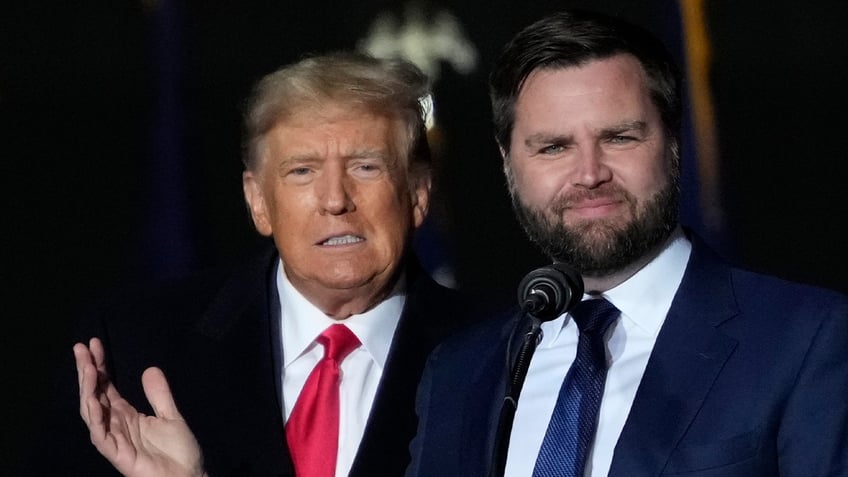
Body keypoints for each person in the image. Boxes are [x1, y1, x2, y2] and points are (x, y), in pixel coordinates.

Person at [406, 9, 848, 477]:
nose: (590, 174)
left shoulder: (807, 341)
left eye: (618, 137)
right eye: (554, 147)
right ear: (508, 162)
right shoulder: (457, 372)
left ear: (673, 142)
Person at [31, 51, 476, 477]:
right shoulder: (133, 345)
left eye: (365, 167)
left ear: (418, 195)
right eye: (302, 171)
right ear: (258, 201)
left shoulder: (495, 359)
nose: (336, 200)